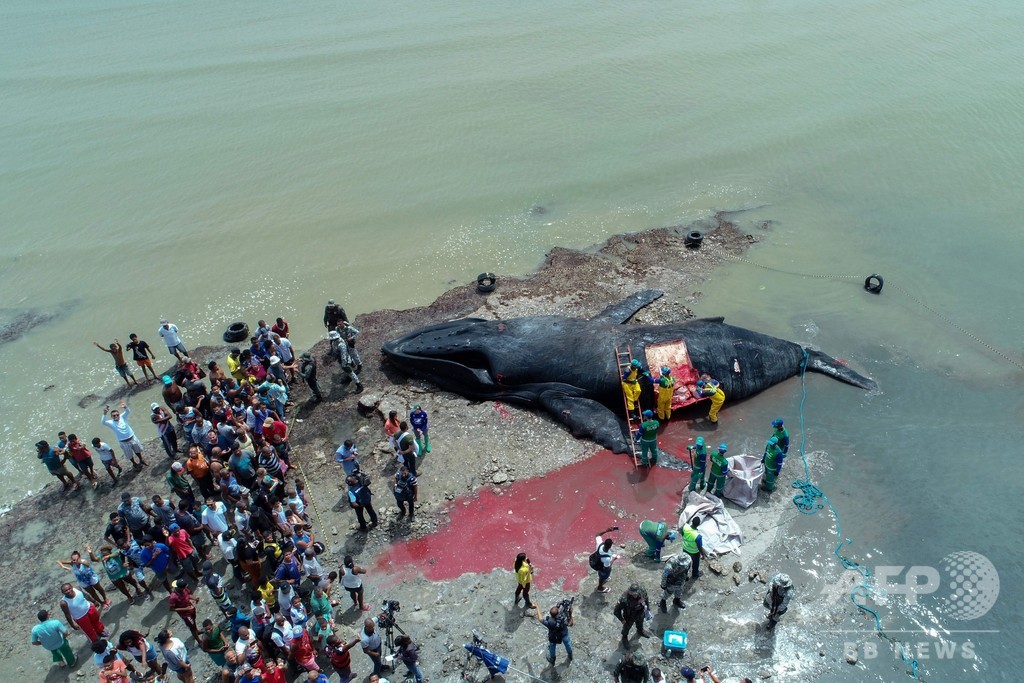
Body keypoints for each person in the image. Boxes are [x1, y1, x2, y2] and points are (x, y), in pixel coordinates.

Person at [613, 583, 651, 648]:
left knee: (640, 622)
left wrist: (647, 608)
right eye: (633, 594)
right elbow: (616, 610)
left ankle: (640, 630)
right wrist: (621, 619)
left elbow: (646, 598)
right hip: (629, 616)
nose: (635, 595)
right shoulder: (624, 599)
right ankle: (624, 637)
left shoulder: (642, 591)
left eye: (636, 593)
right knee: (626, 628)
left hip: (640, 612)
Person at [593, 525, 620, 593]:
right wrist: (614, 559)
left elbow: (598, 535)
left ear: (604, 543)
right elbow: (606, 568)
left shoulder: (600, 544)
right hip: (602, 567)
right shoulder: (607, 558)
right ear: (611, 545)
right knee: (602, 576)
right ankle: (600, 587)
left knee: (602, 576)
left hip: (598, 561)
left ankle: (604, 580)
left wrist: (607, 530)